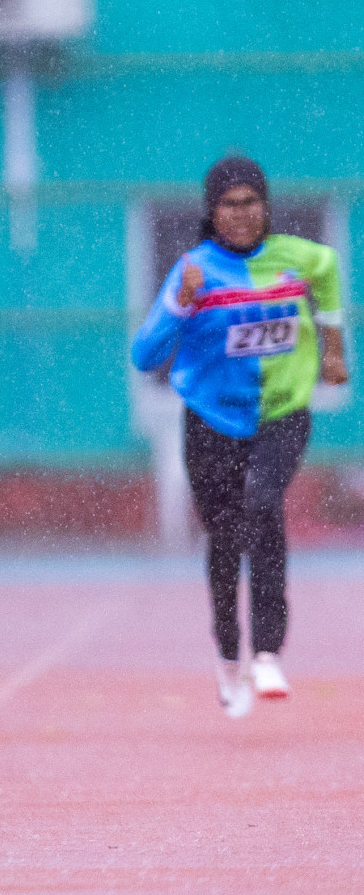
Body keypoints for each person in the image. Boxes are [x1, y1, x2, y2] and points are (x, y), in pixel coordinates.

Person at [132, 155, 346, 719]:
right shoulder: (194, 270)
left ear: (266, 206)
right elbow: (144, 355)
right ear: (212, 211)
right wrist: (181, 304)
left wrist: (334, 345)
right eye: (230, 204)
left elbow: (327, 272)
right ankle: (229, 655)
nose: (243, 213)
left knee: (263, 502)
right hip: (211, 419)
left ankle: (269, 650)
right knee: (225, 541)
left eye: (252, 201)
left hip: (282, 412)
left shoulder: (297, 259)